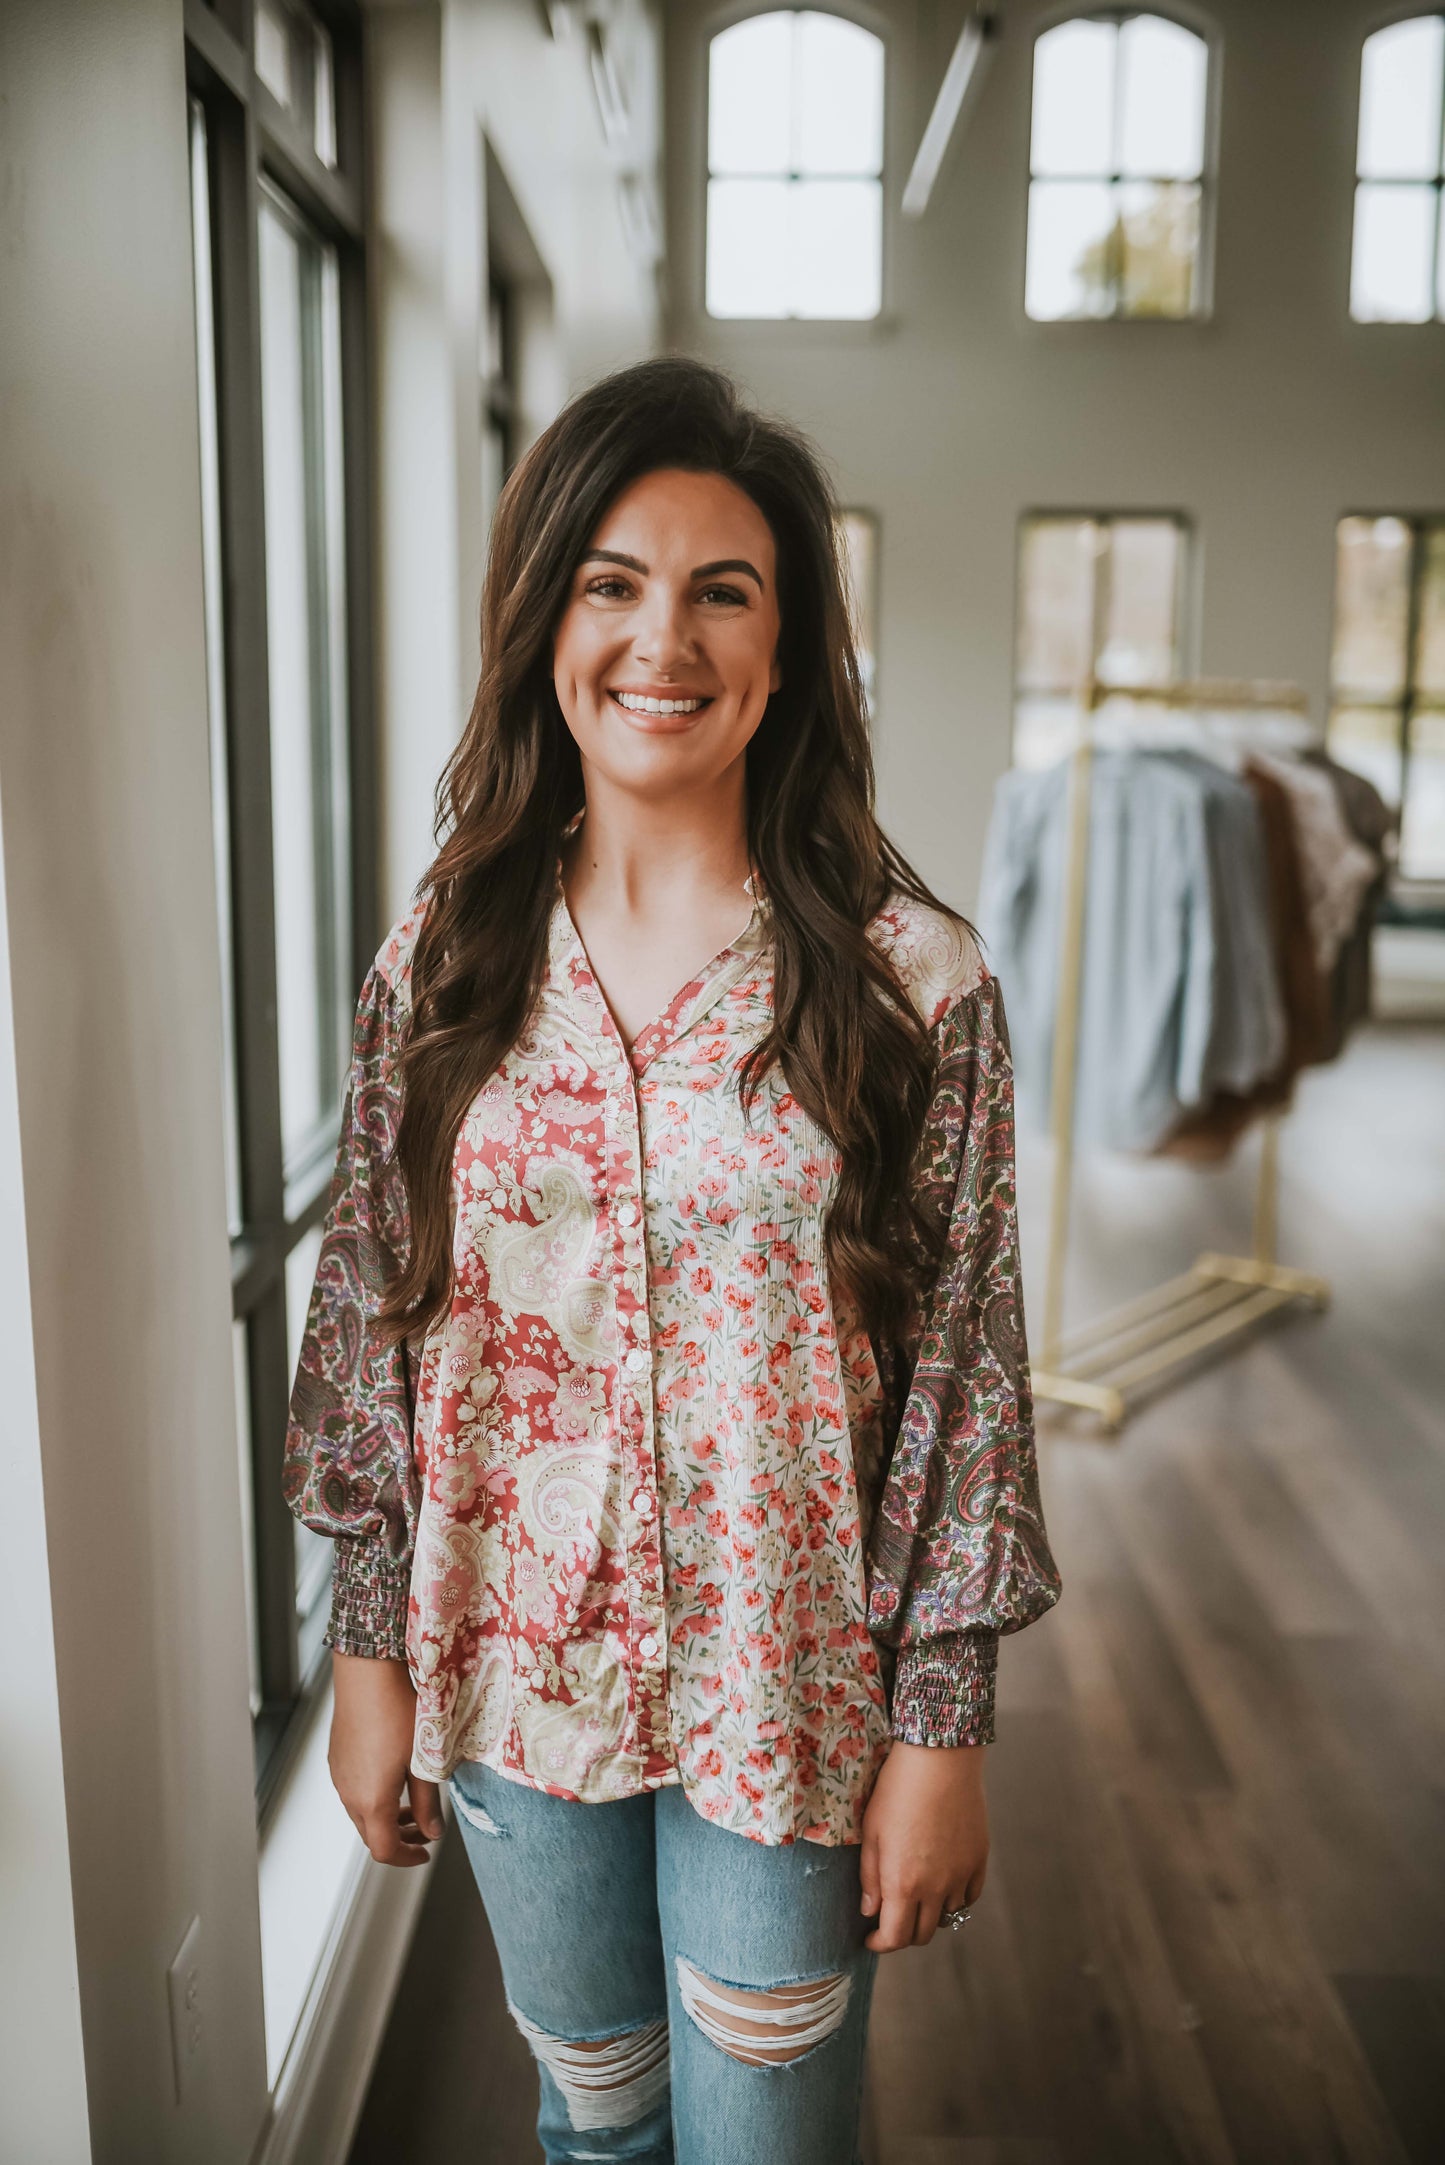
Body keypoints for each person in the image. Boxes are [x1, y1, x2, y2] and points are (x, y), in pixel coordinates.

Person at [283, 356, 1060, 2165]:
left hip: (789, 1686)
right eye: (612, 582)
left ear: (785, 650)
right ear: (547, 621)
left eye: (726, 589)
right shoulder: (446, 960)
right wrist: (368, 1654)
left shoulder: (909, 986)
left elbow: (965, 1386)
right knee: (595, 2127)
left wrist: (941, 1727)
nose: (664, 638)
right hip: (512, 1673)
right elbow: (370, 1322)